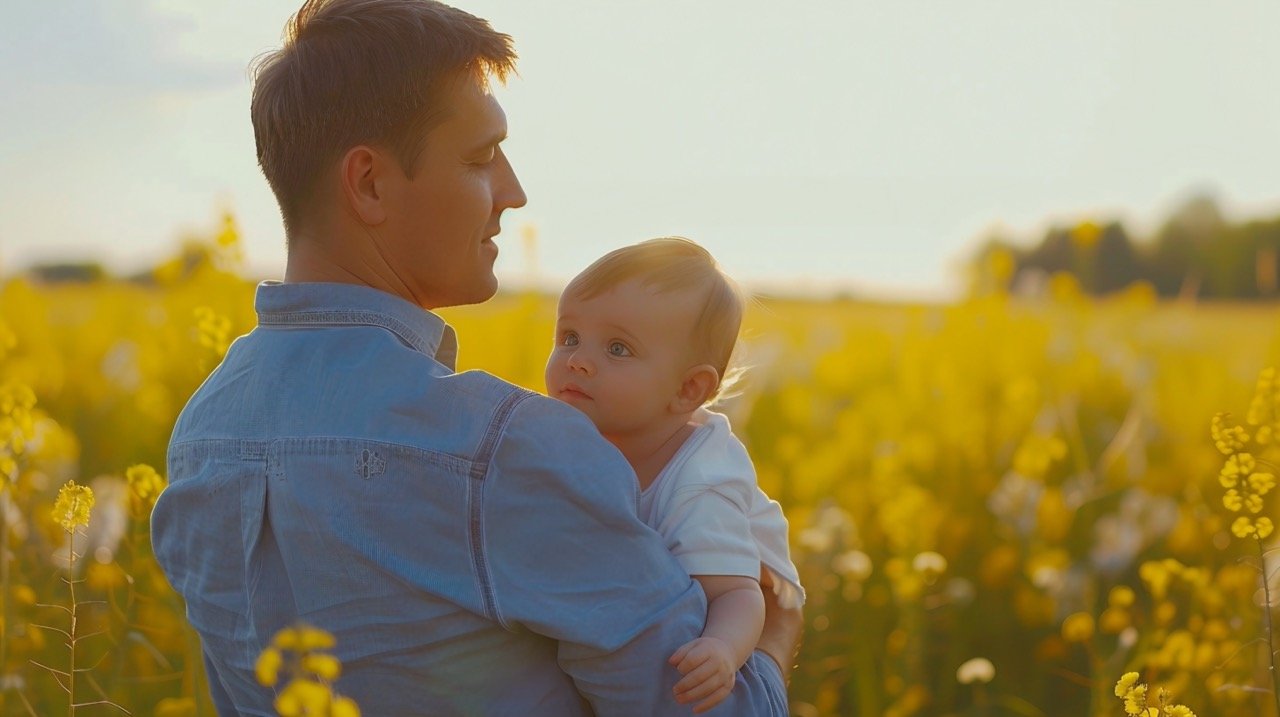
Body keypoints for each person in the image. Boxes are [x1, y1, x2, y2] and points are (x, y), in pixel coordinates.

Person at [149, 0, 802, 715]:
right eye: (480, 157)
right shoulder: (508, 451)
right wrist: (774, 636)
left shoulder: (201, 434)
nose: (513, 192)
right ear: (369, 183)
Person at [545, 238, 805, 713]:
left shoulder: (700, 485)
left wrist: (723, 650)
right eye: (569, 338)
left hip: (730, 626)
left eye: (618, 348)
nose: (578, 360)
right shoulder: (591, 430)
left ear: (689, 389)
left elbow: (741, 595)